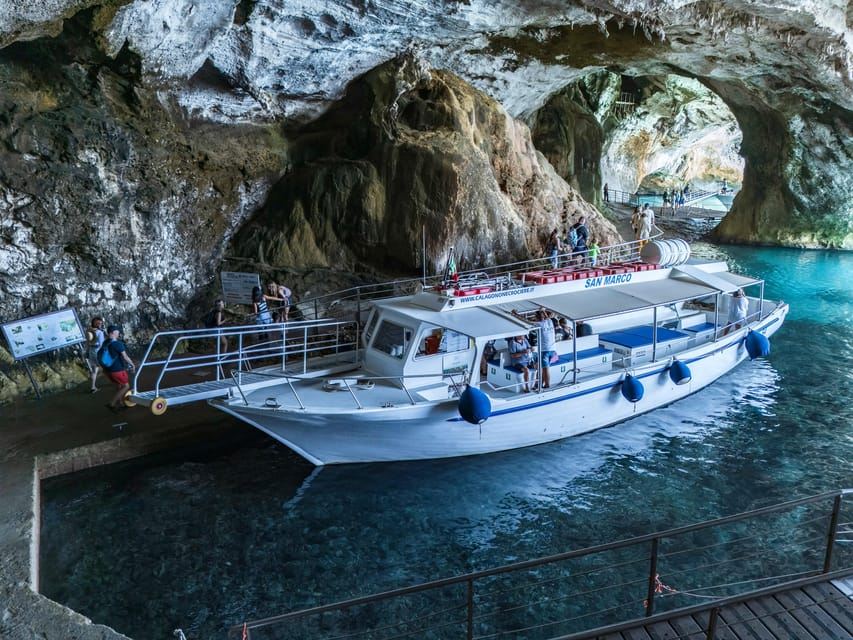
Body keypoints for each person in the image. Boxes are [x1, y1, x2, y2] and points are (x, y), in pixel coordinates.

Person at [102, 325, 135, 413]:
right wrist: (132, 364)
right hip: (117, 370)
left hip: (109, 370)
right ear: (112, 333)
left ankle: (120, 403)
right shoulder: (117, 344)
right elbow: (125, 357)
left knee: (119, 386)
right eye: (117, 331)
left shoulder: (105, 343)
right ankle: (111, 404)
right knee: (126, 386)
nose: (118, 333)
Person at [535, 309, 557, 389]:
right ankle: (541, 384)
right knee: (543, 368)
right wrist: (543, 310)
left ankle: (547, 385)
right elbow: (547, 317)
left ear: (536, 317)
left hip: (545, 351)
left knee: (545, 369)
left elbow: (525, 321)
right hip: (553, 350)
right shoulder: (549, 321)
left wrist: (515, 314)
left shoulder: (538, 324)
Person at [85, 317, 105, 393]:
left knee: (94, 370)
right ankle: (117, 382)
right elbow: (101, 344)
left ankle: (93, 387)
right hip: (98, 351)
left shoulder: (88, 332)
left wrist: (87, 352)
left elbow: (87, 343)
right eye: (99, 323)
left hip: (91, 351)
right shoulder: (100, 332)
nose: (100, 324)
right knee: (107, 367)